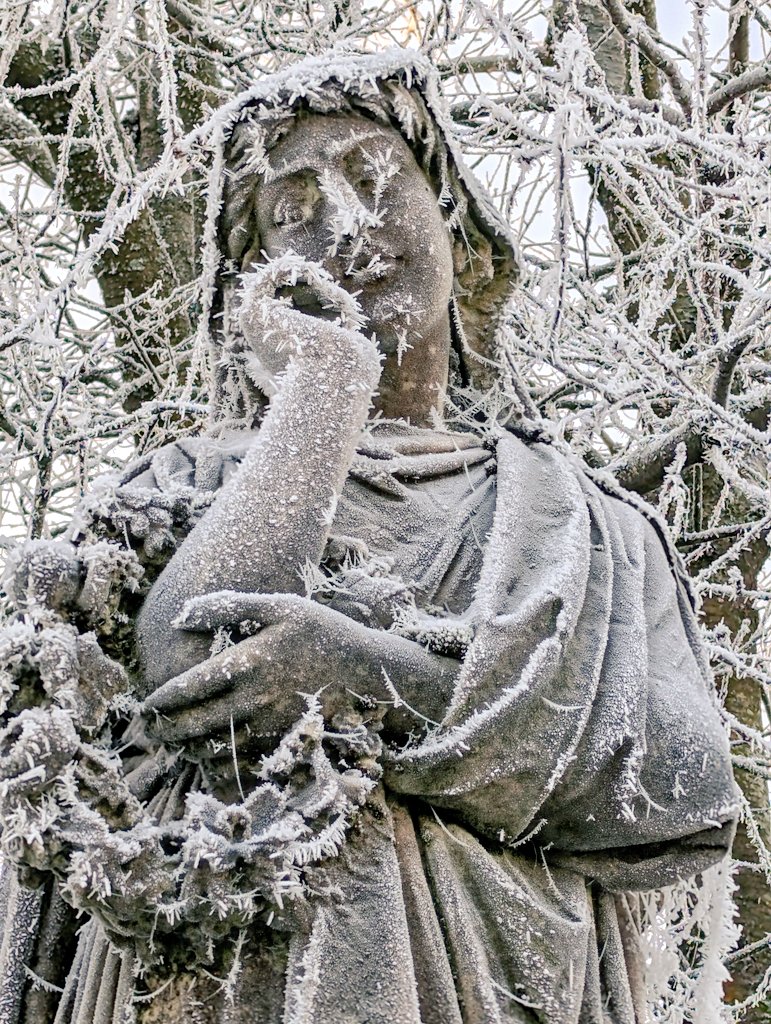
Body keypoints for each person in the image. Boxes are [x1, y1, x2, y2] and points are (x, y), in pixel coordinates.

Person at [0, 49, 739, 1024]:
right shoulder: (177, 487)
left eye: (377, 178)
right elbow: (185, 676)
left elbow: (684, 794)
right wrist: (325, 385)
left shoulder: (596, 531)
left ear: (464, 238)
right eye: (292, 213)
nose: (346, 225)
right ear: (253, 289)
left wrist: (375, 676)